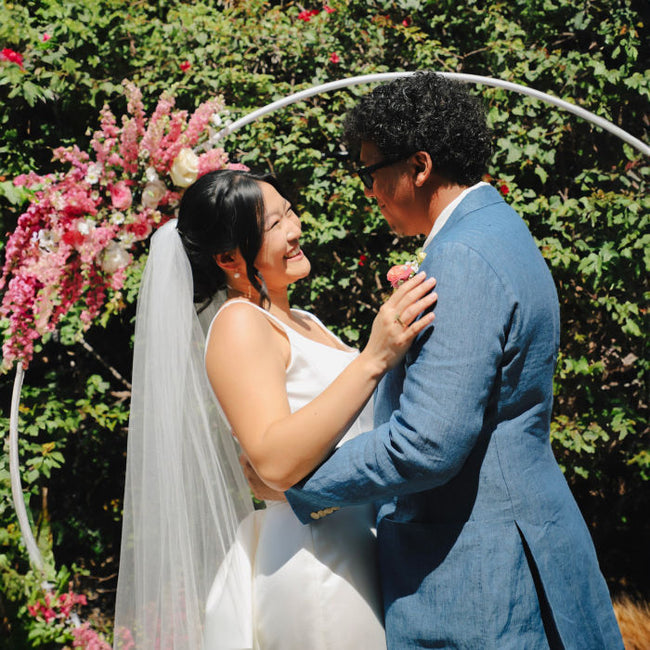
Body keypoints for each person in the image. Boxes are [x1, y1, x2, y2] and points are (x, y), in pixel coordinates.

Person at [262, 72, 624, 648]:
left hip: (481, 577)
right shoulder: (500, 229)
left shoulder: (461, 260)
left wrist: (297, 484)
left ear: (420, 166)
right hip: (517, 537)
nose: (370, 191)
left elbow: (426, 443)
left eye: (372, 171)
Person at [113, 169, 437, 649]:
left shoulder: (303, 321)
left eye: (289, 211)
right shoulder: (240, 324)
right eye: (274, 224)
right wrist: (374, 357)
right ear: (228, 258)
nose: (296, 228)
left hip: (357, 547)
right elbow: (275, 461)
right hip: (317, 561)